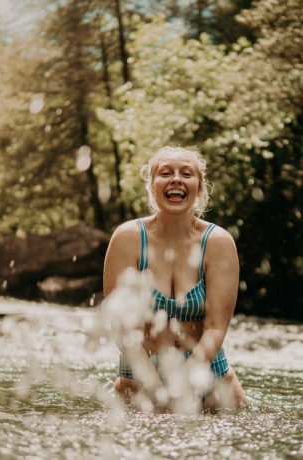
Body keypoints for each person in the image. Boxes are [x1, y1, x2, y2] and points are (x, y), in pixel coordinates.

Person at [103, 145, 247, 412]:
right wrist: (154, 388)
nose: (176, 179)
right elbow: (121, 327)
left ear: (199, 188)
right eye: (166, 173)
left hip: (207, 375)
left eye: (187, 173)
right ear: (152, 186)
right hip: (140, 375)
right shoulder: (127, 238)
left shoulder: (218, 242)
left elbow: (216, 328)